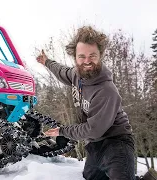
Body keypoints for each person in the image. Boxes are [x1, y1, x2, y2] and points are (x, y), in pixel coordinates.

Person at [36, 26, 136, 180]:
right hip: (95, 144)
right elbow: (61, 71)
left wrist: (62, 131)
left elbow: (93, 129)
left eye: (92, 55)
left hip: (117, 142)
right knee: (90, 177)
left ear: (100, 55)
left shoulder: (106, 91)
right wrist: (47, 61)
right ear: (75, 57)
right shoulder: (76, 74)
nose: (87, 61)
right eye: (81, 56)